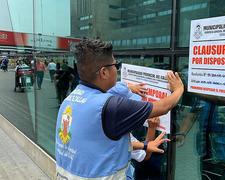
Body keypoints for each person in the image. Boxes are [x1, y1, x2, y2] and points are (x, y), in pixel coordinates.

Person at [55, 38, 184, 179]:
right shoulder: (109, 107)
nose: (117, 69)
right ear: (104, 72)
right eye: (115, 65)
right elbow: (163, 107)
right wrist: (178, 89)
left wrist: (129, 87)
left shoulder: (70, 99)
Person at [176, 96, 225, 180]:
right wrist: (182, 133)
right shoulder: (205, 90)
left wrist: (199, 93)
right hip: (206, 153)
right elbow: (193, 114)